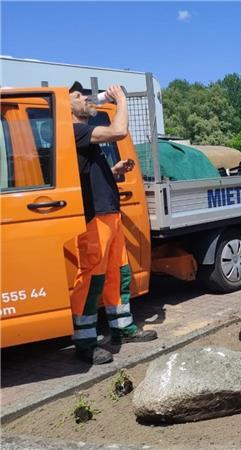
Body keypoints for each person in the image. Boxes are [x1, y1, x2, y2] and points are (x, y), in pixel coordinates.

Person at [69, 82, 157, 365]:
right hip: (95, 216)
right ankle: (84, 341)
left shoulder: (85, 137)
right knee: (92, 276)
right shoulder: (75, 130)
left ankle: (122, 329)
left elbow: (89, 172)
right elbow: (118, 131)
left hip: (110, 214)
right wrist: (121, 101)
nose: (84, 98)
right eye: (77, 96)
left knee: (118, 274)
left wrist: (114, 170)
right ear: (65, 106)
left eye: (84, 93)